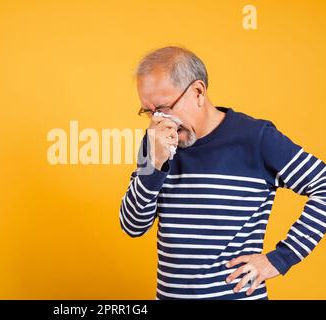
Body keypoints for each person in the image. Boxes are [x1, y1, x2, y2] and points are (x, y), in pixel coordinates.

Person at [119, 46, 326, 300]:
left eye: (164, 108)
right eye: (149, 112)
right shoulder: (155, 142)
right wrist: (154, 165)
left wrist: (280, 259)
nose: (159, 121)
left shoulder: (255, 138)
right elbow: (132, 226)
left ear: (197, 92)